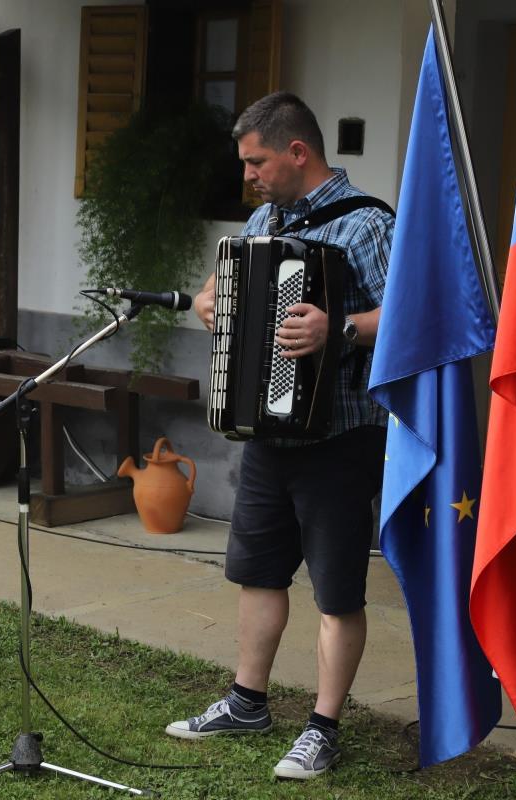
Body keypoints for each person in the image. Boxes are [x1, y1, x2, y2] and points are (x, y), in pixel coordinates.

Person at [168, 92, 394, 780]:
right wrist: (207, 300)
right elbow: (219, 284)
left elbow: (414, 315)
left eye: (256, 162)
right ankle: (247, 701)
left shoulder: (369, 223)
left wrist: (341, 327)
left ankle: (323, 728)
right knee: (258, 572)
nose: (248, 176)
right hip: (268, 434)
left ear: (298, 152)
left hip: (341, 438)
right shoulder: (266, 219)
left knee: (337, 592)